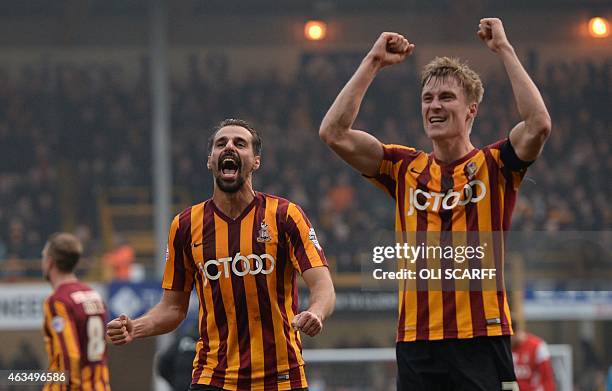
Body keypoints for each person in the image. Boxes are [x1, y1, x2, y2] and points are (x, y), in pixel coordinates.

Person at [319, 18, 551, 391]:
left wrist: (504, 50)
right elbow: (333, 133)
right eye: (427, 98)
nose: (434, 106)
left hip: (481, 336)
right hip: (417, 341)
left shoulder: (495, 166)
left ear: (471, 109)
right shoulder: (403, 168)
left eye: (446, 97)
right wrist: (373, 62)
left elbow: (538, 124)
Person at [107, 118, 336, 391]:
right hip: (213, 378)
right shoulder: (185, 225)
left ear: (255, 161)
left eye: (240, 143)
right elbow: (173, 307)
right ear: (210, 161)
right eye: (220, 144)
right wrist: (137, 326)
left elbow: (323, 285)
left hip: (281, 376)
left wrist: (317, 312)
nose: (229, 147)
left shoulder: (285, 216)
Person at [41, 232, 111, 390]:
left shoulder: (58, 301)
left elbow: (69, 354)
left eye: (43, 257)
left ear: (50, 262)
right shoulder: (94, 295)